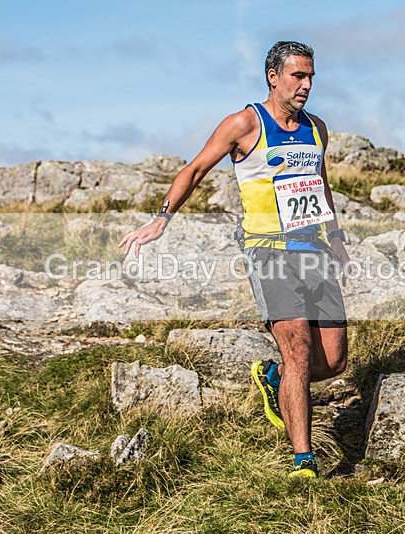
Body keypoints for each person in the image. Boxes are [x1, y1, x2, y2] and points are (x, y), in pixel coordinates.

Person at [118, 41, 349, 478]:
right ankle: (304, 460)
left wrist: (335, 236)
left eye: (311, 77)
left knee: (334, 361)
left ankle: (275, 379)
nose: (306, 85)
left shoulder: (317, 127)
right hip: (268, 251)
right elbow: (195, 169)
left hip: (313, 249)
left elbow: (319, 182)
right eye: (298, 76)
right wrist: (161, 218)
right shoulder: (245, 123)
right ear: (273, 76)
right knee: (298, 349)